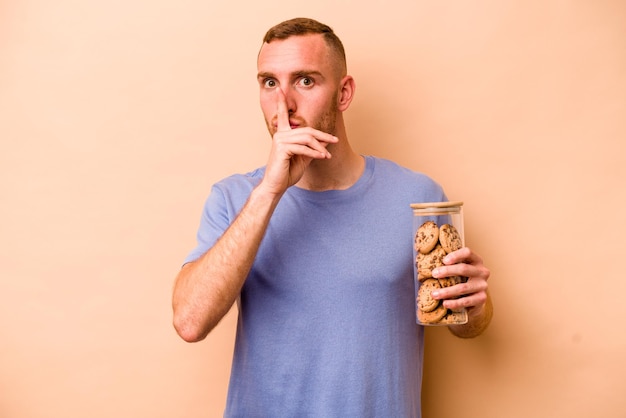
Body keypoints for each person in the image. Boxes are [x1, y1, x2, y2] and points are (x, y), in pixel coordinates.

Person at [172, 17, 493, 417]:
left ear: (344, 93)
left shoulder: (418, 199)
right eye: (269, 82)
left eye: (305, 81)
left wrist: (475, 307)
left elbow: (461, 321)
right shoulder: (235, 197)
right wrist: (271, 191)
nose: (284, 104)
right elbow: (189, 321)